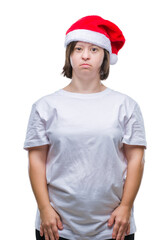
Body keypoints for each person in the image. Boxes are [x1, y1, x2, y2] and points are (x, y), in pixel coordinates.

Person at [23, 15, 147, 240]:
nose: (85, 55)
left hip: (113, 226)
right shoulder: (45, 106)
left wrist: (126, 206)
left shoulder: (125, 105)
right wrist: (44, 209)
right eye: (78, 48)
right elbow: (36, 161)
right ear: (69, 55)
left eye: (94, 49)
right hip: (57, 226)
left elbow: (136, 160)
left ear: (105, 57)